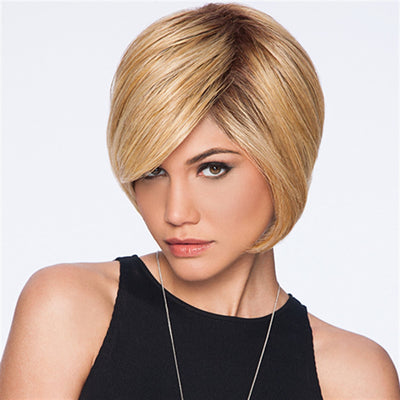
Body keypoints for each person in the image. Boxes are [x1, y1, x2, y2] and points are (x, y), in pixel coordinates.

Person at [0, 3, 399, 399]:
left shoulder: (353, 378)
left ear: (283, 163)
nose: (175, 213)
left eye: (212, 168)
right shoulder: (67, 309)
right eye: (153, 171)